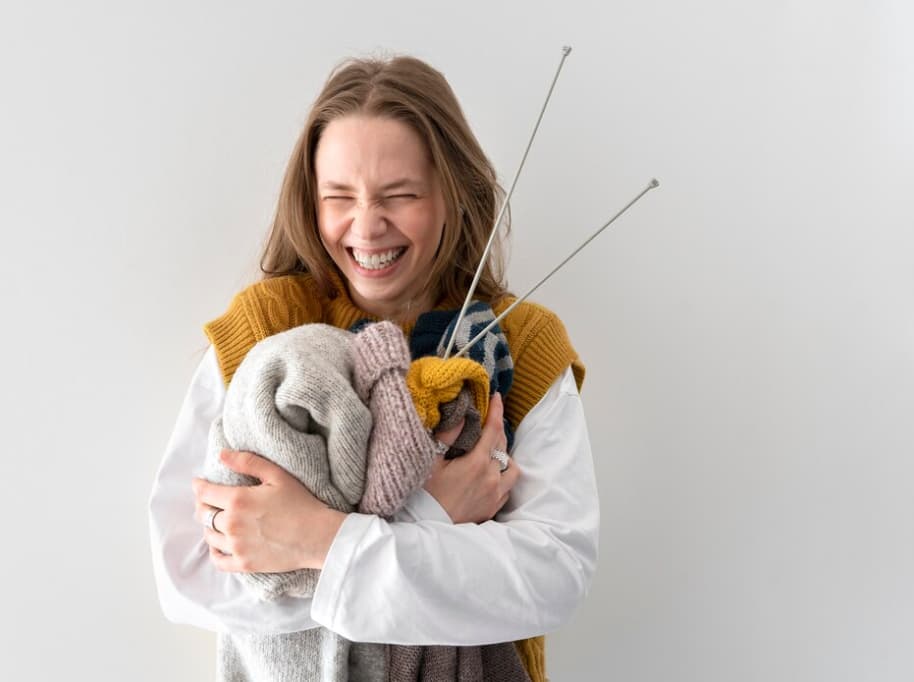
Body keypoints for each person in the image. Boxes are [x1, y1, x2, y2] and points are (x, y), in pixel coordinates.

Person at [148, 54, 600, 682]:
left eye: (400, 196)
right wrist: (428, 520)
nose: (366, 226)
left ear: (454, 195)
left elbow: (552, 577)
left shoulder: (520, 343)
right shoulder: (264, 333)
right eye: (339, 197)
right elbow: (187, 573)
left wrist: (308, 541)